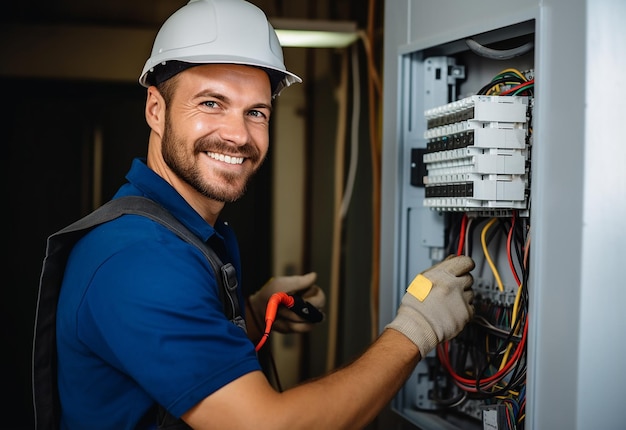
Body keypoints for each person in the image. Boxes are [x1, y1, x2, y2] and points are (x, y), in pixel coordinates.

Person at [53, 0, 476, 428]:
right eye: (211, 103)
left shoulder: (184, 234)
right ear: (155, 110)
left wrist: (250, 315)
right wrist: (414, 331)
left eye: (256, 112)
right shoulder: (140, 260)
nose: (238, 135)